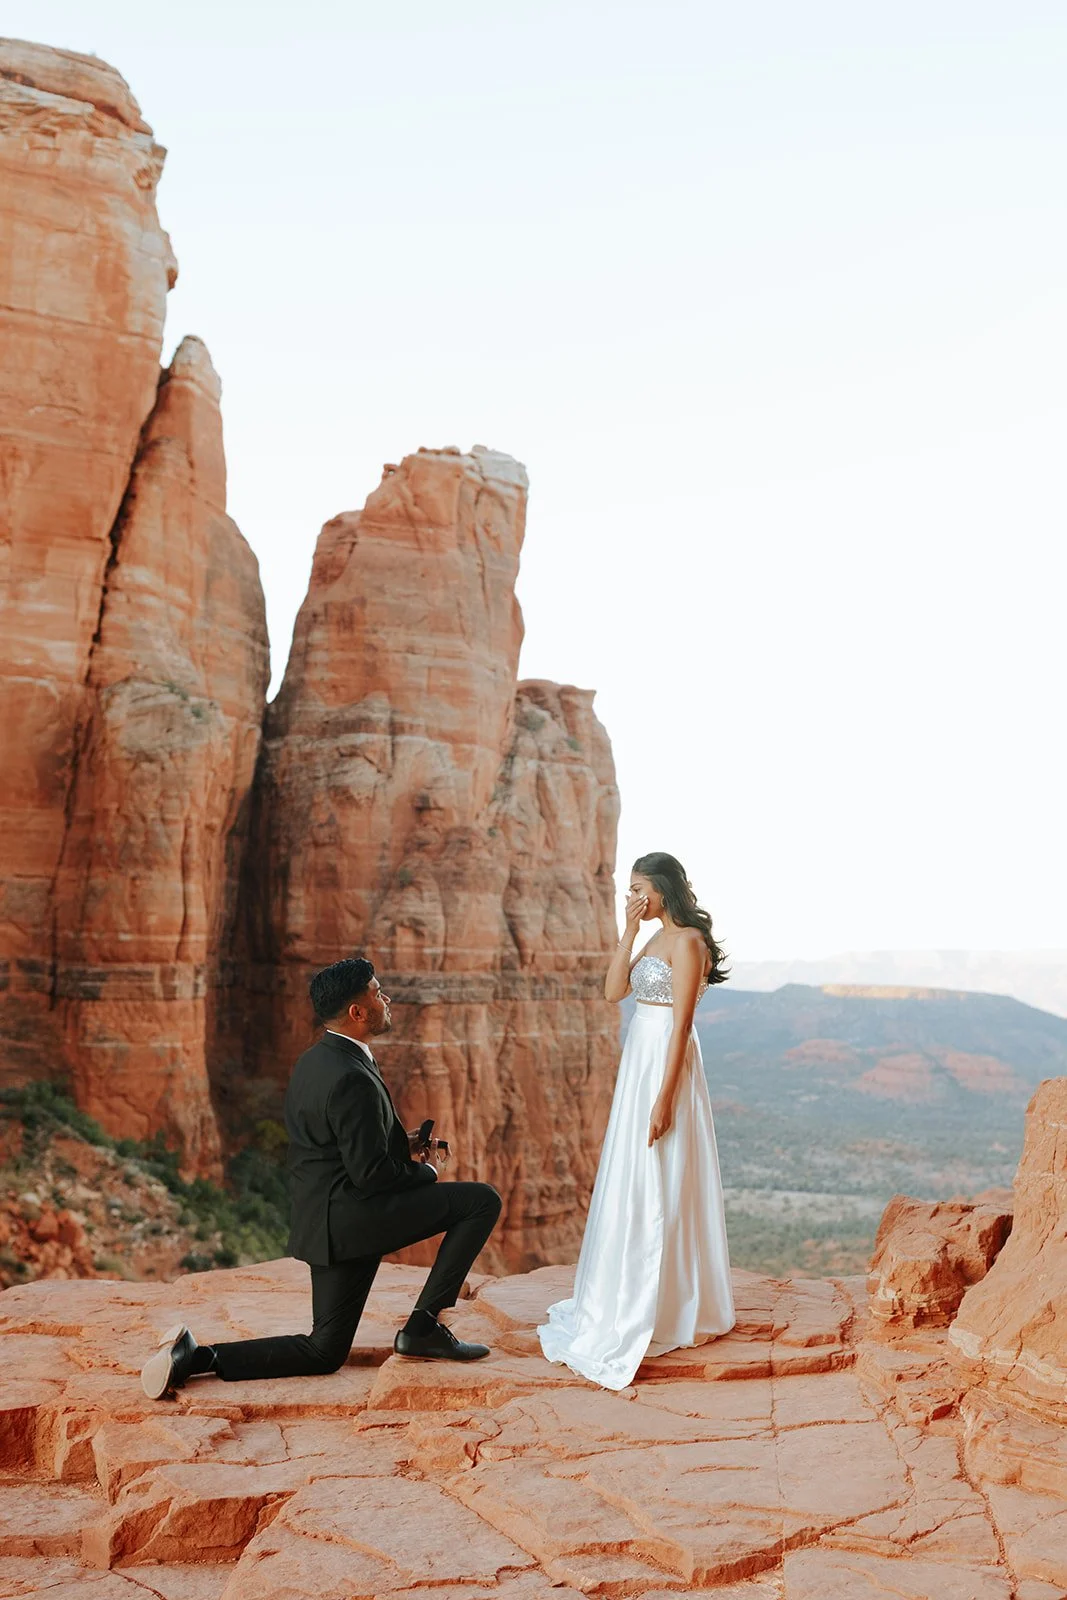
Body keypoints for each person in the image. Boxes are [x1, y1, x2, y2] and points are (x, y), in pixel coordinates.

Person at [140, 956, 502, 1397]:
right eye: (376, 991)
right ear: (357, 1011)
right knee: (481, 1201)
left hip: (324, 1222)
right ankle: (423, 1327)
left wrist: (398, 1145)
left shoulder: (316, 1061)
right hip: (355, 1218)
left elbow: (336, 1145)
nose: (385, 998)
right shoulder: (353, 1076)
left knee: (324, 1351)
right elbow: (371, 1176)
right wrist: (425, 1169)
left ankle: (196, 1357)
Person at [537, 851, 735, 1389]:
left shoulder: (688, 943)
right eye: (629, 889)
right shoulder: (648, 939)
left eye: (637, 889)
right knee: (633, 1174)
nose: (631, 897)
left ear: (662, 891)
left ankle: (669, 1304)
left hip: (667, 1064)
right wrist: (626, 930)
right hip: (638, 1059)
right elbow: (612, 992)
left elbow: (681, 1027)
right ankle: (629, 1290)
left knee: (664, 1175)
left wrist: (666, 1098)